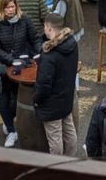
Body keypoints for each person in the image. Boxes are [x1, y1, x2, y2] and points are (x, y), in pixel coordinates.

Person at [0, 0, 41, 147]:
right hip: (3, 65)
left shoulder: (24, 19)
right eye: (8, 7)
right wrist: (10, 60)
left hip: (22, 63)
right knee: (3, 97)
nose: (11, 9)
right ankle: (11, 130)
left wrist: (38, 53)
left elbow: (35, 38)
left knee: (17, 98)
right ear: (2, 8)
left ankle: (9, 119)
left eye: (13, 6)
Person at [32, 12, 78, 157]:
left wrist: (36, 100)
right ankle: (70, 161)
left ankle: (56, 168)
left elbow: (44, 85)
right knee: (69, 131)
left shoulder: (49, 55)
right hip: (66, 97)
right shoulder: (72, 44)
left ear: (49, 27)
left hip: (51, 104)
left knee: (55, 137)